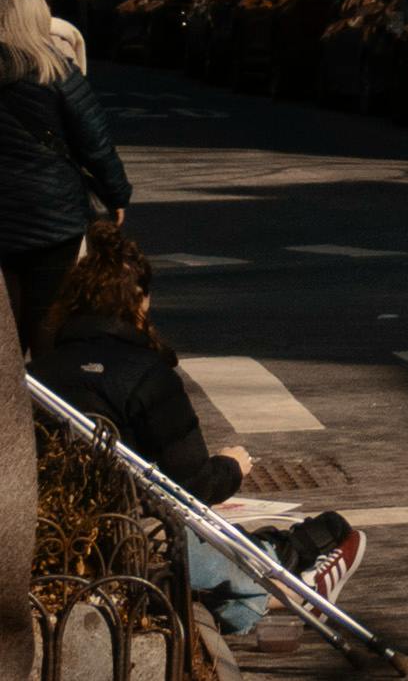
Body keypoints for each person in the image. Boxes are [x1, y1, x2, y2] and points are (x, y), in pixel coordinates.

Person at [30, 217, 366, 640]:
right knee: (187, 534)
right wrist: (231, 468)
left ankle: (271, 585)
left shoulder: (36, 374)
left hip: (52, 537)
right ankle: (283, 579)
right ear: (140, 301)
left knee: (184, 544)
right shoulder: (147, 375)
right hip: (135, 540)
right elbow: (190, 487)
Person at [0, 0, 128, 356]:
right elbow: (94, 141)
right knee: (47, 320)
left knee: (4, 329)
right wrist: (116, 195)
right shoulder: (58, 71)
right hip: (54, 217)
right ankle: (47, 407)